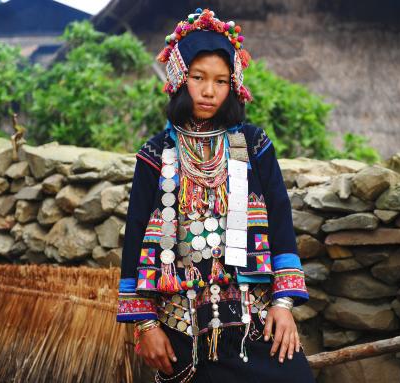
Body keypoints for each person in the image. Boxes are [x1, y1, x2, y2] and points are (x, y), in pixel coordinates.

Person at [116, 8, 315, 383]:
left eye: (221, 81)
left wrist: (284, 304)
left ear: (233, 86)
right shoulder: (156, 153)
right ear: (179, 78)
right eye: (198, 77)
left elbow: (280, 219)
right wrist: (145, 324)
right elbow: (136, 233)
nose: (209, 91)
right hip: (181, 325)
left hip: (252, 319)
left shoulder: (255, 145)